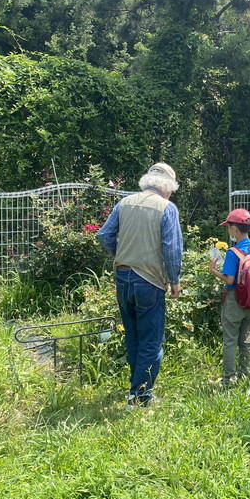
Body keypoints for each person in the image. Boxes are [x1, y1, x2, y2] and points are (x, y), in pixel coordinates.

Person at [98, 163, 183, 408]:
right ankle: (140, 397)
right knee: (151, 341)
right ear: (168, 187)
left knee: (133, 337)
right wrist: (174, 280)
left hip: (122, 277)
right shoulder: (167, 208)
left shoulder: (124, 203)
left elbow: (104, 235)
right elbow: (172, 249)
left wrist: (121, 253)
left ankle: (135, 389)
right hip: (149, 280)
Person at [209, 208, 250, 386]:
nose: (228, 230)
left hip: (234, 300)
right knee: (247, 339)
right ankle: (245, 374)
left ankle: (229, 379)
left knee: (230, 340)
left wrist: (214, 270)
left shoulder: (232, 252)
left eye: (229, 227)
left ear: (234, 229)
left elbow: (230, 279)